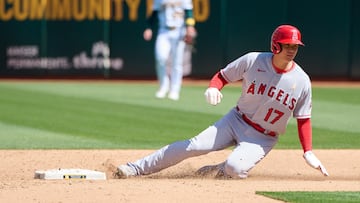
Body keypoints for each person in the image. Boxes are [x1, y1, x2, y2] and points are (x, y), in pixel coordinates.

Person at [111, 24, 329, 179]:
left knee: (235, 169)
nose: (292, 50)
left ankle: (221, 169)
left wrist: (307, 151)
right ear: (275, 45)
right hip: (235, 120)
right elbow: (222, 76)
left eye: (295, 46)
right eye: (287, 45)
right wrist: (213, 88)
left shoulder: (301, 81)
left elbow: (304, 119)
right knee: (193, 146)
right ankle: (135, 168)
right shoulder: (253, 60)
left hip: (263, 137)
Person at [143, 0, 197, 101]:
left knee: (177, 62)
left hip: (179, 31)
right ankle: (164, 86)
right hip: (163, 30)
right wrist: (148, 28)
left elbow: (189, 12)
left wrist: (190, 26)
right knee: (160, 58)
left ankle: (175, 89)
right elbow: (154, 14)